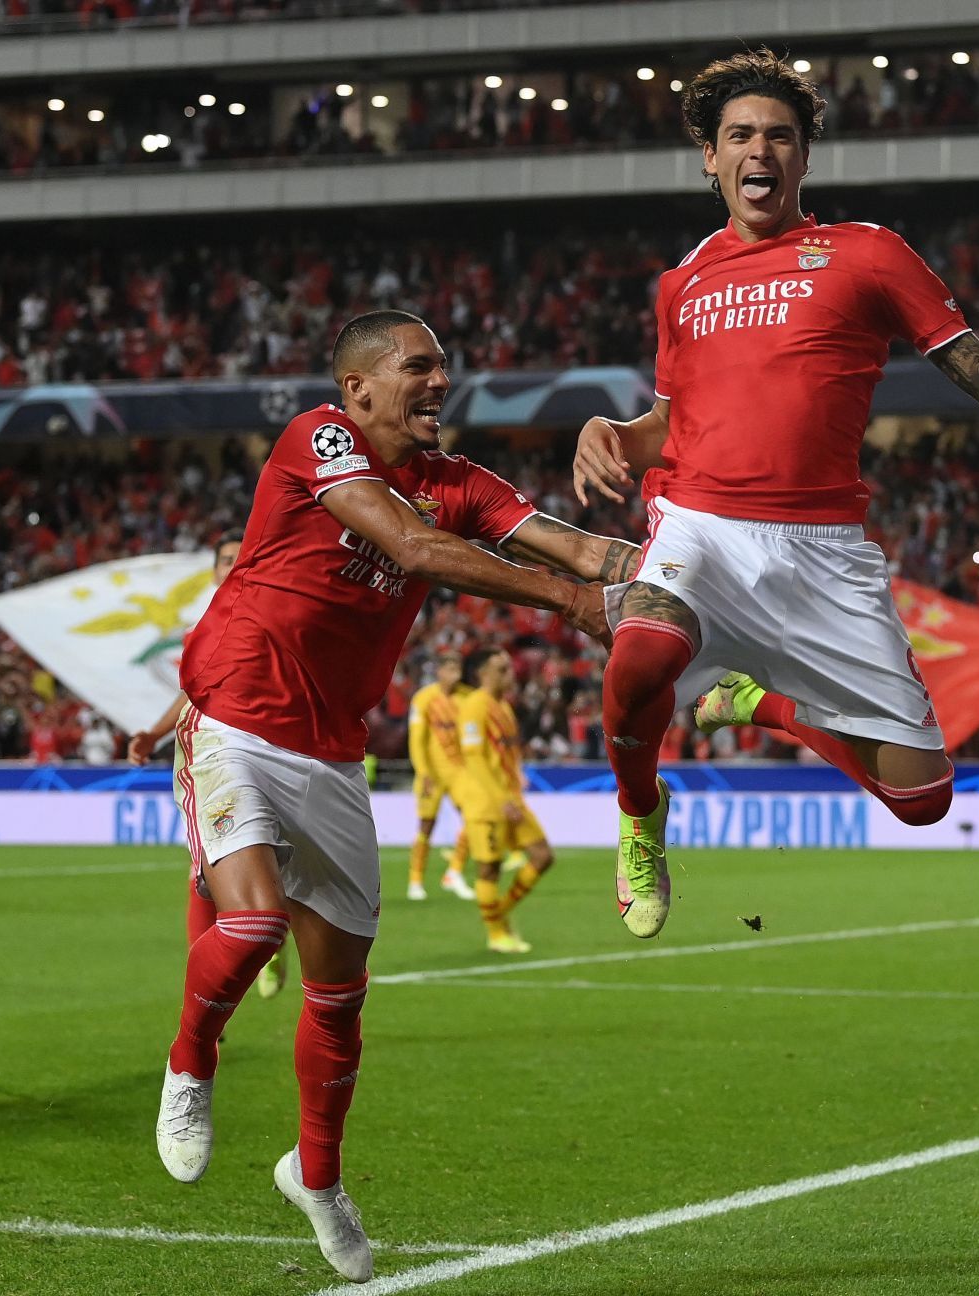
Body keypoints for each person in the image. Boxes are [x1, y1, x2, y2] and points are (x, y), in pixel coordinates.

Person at [572, 51, 979, 938]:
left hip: (822, 551)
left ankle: (756, 703)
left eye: (780, 136)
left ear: (805, 157)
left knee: (922, 796)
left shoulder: (867, 255)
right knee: (637, 657)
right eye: (740, 135)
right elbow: (670, 422)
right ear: (710, 155)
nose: (760, 151)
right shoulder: (685, 281)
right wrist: (612, 434)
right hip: (699, 523)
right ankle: (639, 819)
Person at [153, 310, 635, 1282]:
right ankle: (189, 1063)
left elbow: (575, 547)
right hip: (238, 719)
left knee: (339, 996)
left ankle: (316, 1178)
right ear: (360, 387)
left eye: (444, 369)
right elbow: (412, 550)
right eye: (418, 368)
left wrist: (659, 574)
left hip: (331, 754)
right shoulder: (316, 438)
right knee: (251, 929)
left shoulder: (459, 482)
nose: (437, 384)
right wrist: (573, 604)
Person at [128, 532, 294, 997]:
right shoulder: (207, 624)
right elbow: (192, 689)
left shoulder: (284, 611)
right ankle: (208, 993)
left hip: (282, 747)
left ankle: (273, 942)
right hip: (218, 754)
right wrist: (155, 733)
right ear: (214, 570)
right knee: (205, 869)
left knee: (283, 865)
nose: (232, 565)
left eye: (240, 557)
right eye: (225, 559)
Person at [453, 646, 556, 953]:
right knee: (489, 869)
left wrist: (517, 775)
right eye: (502, 669)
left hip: (510, 796)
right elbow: (474, 759)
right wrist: (500, 798)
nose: (510, 674)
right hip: (486, 801)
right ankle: (497, 933)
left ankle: (499, 913)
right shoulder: (474, 706)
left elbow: (504, 753)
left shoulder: (504, 707)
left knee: (542, 856)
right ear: (483, 673)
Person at [403, 655, 476, 903]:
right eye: (451, 668)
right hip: (432, 773)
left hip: (460, 771)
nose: (456, 673)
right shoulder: (424, 698)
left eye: (458, 668)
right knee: (426, 825)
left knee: (473, 818)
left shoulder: (469, 697)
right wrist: (423, 772)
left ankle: (454, 872)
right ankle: (415, 880)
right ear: (440, 672)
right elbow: (417, 739)